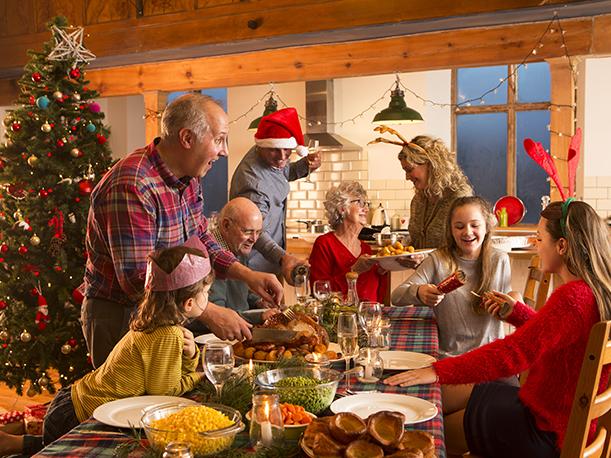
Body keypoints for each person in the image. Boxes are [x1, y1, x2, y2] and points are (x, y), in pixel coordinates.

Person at [385, 199, 611, 458]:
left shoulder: (571, 298)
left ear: (561, 246)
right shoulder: (590, 292)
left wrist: (437, 370)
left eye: (539, 239)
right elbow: (548, 334)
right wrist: (515, 311)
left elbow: (512, 353)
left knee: (430, 435)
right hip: (546, 414)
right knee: (435, 403)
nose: (536, 247)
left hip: (541, 430)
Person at [82, 93, 283, 368]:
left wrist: (247, 275)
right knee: (126, 406)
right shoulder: (133, 185)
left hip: (165, 311)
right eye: (219, 139)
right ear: (188, 138)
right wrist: (208, 312)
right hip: (122, 315)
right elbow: (138, 280)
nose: (224, 150)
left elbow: (200, 240)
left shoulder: (188, 178)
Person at [0, 240, 211, 456]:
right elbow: (164, 394)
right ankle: (13, 446)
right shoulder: (168, 334)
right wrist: (199, 376)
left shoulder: (152, 323)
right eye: (207, 291)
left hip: (72, 402)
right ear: (188, 303)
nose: (208, 296)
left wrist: (190, 355)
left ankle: (11, 443)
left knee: (51, 445)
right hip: (80, 414)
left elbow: (165, 379)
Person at [391, 196, 514, 358]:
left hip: (490, 356)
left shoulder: (500, 260)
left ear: (487, 227)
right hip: (450, 357)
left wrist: (512, 302)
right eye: (459, 226)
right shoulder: (437, 260)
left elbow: (510, 305)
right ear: (450, 229)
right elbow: (396, 297)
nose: (467, 232)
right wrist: (419, 292)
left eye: (475, 225)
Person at [230, 107, 321, 280]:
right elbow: (254, 233)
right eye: (275, 150)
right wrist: (284, 258)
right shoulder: (254, 184)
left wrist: (306, 166)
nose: (281, 156)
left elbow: (282, 172)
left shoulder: (268, 152)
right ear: (262, 146)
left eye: (287, 150)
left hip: (270, 263)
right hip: (254, 267)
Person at [186, 197, 279, 335]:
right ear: (226, 225)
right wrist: (259, 317)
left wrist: (259, 302)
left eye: (258, 232)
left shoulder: (238, 248)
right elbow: (217, 319)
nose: (254, 239)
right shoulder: (206, 260)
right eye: (247, 231)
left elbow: (240, 296)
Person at [309, 181, 388, 303]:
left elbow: (377, 295)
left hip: (369, 317)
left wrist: (382, 272)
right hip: (339, 318)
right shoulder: (324, 244)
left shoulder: (366, 249)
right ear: (342, 208)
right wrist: (354, 271)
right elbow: (320, 293)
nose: (366, 209)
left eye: (366, 204)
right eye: (359, 202)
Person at [399, 135, 473, 250]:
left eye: (409, 170)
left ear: (431, 164)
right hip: (423, 268)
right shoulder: (418, 200)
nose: (407, 177)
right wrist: (405, 248)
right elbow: (417, 241)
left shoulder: (459, 198)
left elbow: (467, 249)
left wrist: (429, 260)